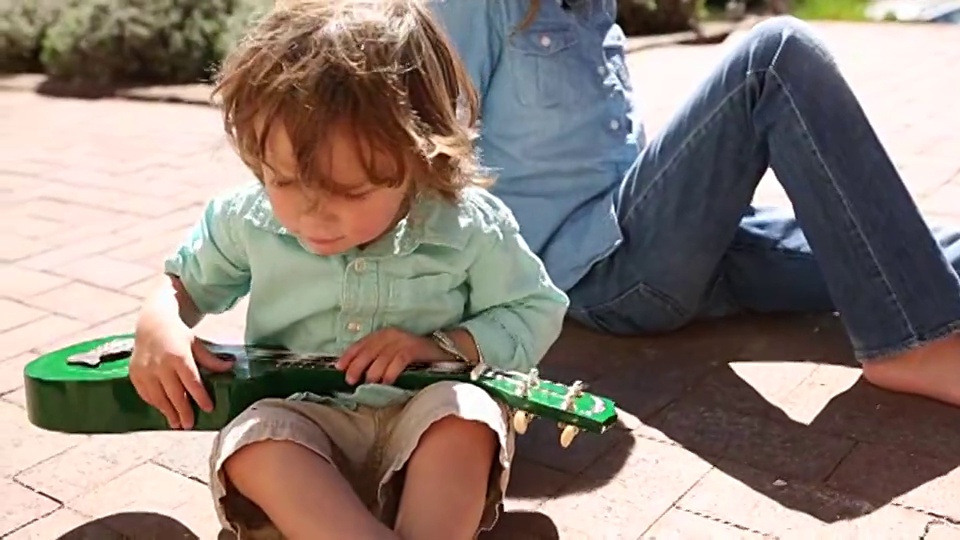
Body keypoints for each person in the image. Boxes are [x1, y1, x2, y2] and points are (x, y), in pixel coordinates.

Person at [127, 1, 569, 539]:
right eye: (283, 181)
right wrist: (159, 325)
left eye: (349, 190)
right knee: (256, 437)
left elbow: (536, 308)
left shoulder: (468, 225)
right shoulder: (247, 218)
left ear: (418, 155)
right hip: (305, 428)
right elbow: (181, 288)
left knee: (467, 415)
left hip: (421, 425)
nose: (312, 212)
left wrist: (444, 345)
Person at [427, 0, 960, 407]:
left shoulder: (593, 7)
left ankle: (919, 322)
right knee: (776, 55)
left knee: (909, 259)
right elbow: (434, 157)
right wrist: (441, 323)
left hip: (672, 240)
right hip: (602, 274)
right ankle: (909, 347)